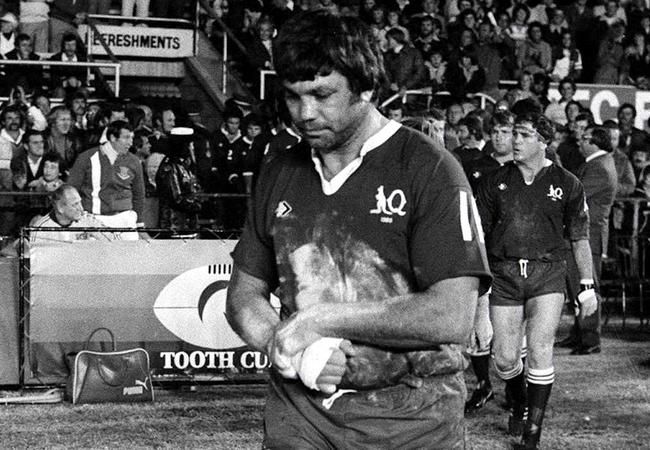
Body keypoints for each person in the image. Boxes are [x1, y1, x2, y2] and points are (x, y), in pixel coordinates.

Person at [226, 10, 491, 449]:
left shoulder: (430, 169)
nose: (305, 113)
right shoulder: (279, 171)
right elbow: (243, 297)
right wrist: (297, 350)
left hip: (413, 421)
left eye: (322, 95)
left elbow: (452, 315)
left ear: (366, 87)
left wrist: (320, 320)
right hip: (300, 419)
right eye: (293, 96)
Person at [475, 112, 597, 449]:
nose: (515, 140)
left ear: (544, 141)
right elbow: (479, 236)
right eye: (514, 134)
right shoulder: (494, 180)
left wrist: (587, 286)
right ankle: (518, 400)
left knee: (541, 350)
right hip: (506, 273)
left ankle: (533, 433)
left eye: (524, 135)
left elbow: (579, 238)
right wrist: (476, 284)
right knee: (504, 358)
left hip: (548, 273)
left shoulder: (568, 183)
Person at [557, 126, 617, 355]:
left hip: (587, 237)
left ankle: (590, 339)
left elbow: (574, 195)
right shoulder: (596, 164)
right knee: (577, 287)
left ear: (595, 142)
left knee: (587, 287)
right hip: (583, 235)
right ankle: (579, 333)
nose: (579, 142)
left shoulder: (599, 167)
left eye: (584, 138)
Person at [68, 120, 145, 229]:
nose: (130, 142)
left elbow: (139, 195)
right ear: (113, 138)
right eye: (126, 137)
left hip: (125, 220)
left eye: (132, 137)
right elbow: (71, 190)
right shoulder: (86, 158)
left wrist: (140, 223)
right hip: (93, 220)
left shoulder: (134, 161)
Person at [30, 184, 117, 243]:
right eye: (75, 204)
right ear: (60, 208)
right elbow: (37, 265)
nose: (81, 209)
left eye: (80, 202)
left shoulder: (87, 220)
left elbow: (115, 242)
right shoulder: (40, 229)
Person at [155, 127, 202, 232]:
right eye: (190, 144)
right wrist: (198, 205)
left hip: (187, 223)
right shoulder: (170, 167)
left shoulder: (184, 165)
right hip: (174, 225)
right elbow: (176, 198)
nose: (192, 148)